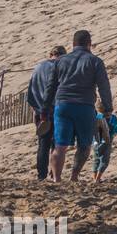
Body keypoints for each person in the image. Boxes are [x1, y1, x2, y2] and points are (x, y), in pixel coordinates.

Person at [41, 30, 112, 186]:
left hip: (63, 105)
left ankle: (56, 179)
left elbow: (50, 87)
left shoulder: (60, 61)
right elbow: (104, 87)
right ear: (89, 44)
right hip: (84, 106)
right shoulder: (95, 61)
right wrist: (107, 109)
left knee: (60, 145)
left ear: (73, 44)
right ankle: (74, 176)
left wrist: (45, 110)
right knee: (84, 145)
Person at [27, 45, 66, 181]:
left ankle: (41, 175)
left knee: (43, 144)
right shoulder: (61, 67)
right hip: (57, 108)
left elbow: (30, 91)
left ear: (51, 54)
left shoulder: (38, 67)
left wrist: (35, 110)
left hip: (40, 110)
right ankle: (53, 173)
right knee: (57, 144)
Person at [91, 101, 117, 184]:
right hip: (106, 142)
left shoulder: (96, 117)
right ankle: (97, 179)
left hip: (95, 142)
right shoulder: (112, 118)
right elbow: (116, 127)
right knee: (104, 160)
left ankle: (94, 177)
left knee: (96, 159)